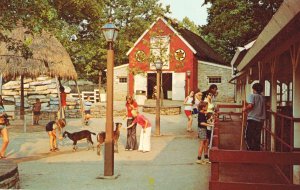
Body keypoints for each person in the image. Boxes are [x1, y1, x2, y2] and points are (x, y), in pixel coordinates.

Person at [243, 83, 266, 151]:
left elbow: (251, 105)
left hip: (252, 119)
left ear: (254, 89)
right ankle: (256, 150)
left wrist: (245, 109)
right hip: (260, 120)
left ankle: (250, 150)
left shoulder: (252, 96)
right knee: (257, 136)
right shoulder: (263, 97)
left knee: (248, 136)